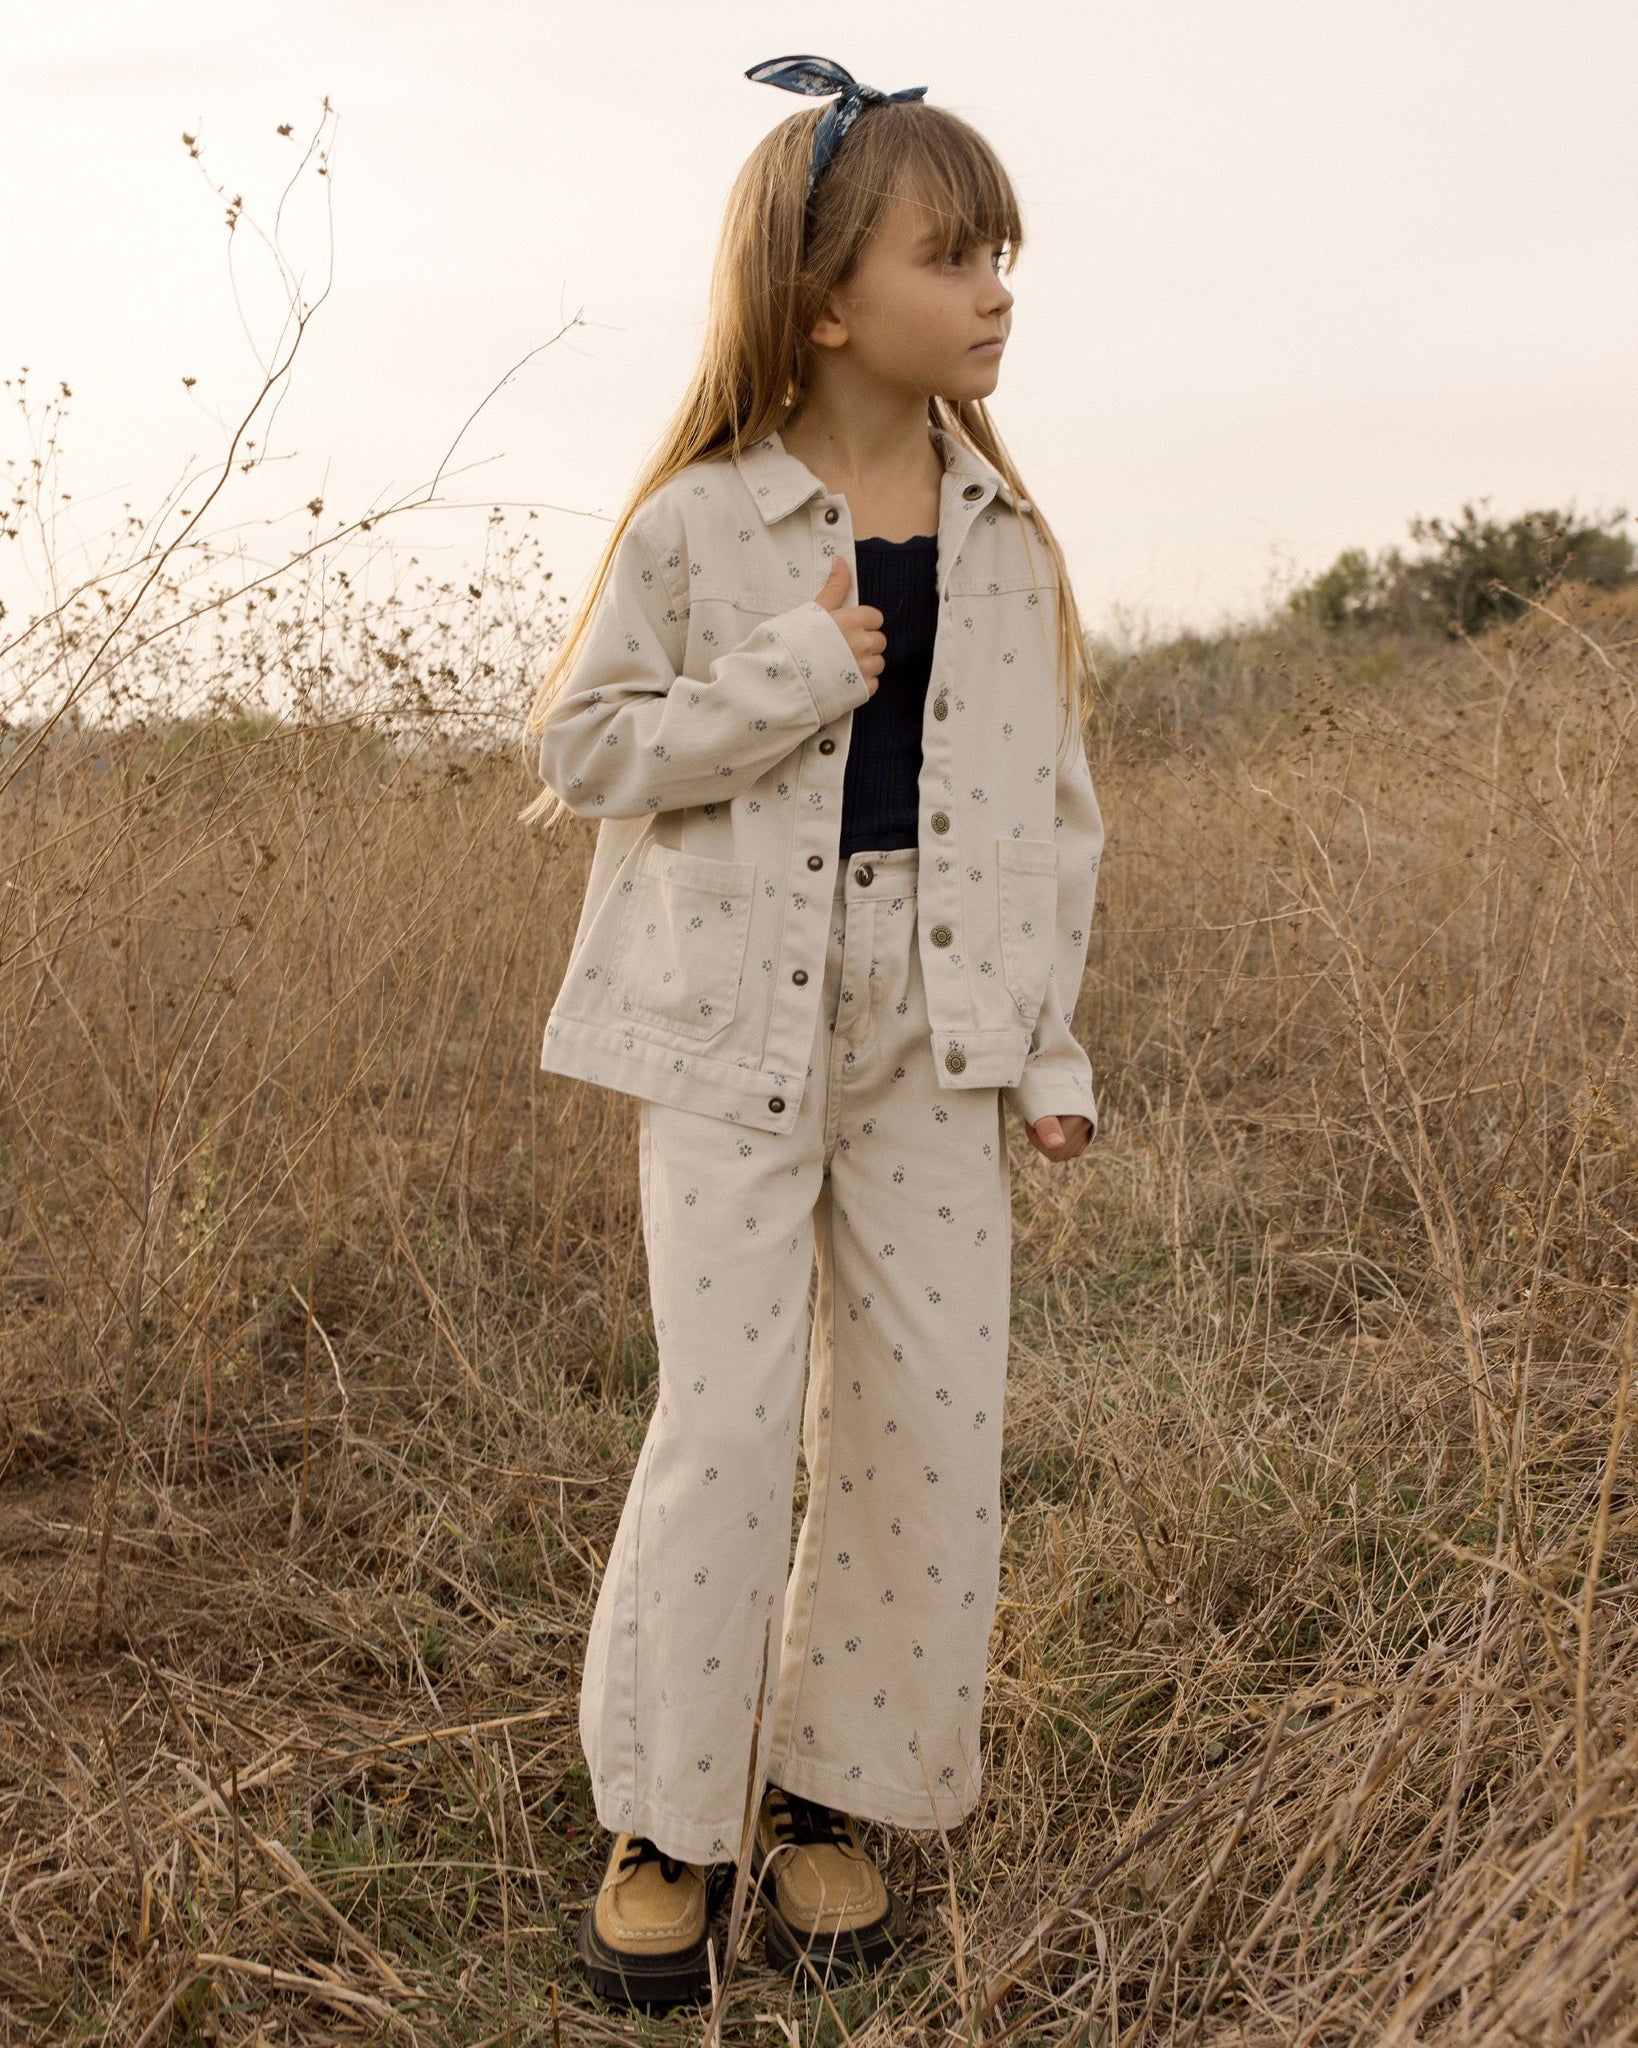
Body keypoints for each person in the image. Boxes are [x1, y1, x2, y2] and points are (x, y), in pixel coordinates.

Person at [522, 52, 1104, 2010]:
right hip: (727, 1025)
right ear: (826, 299)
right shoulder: (702, 525)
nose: (998, 291)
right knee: (729, 1418)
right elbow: (585, 749)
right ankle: (668, 1818)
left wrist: (1046, 1049)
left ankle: (831, 1796)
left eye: (1003, 254)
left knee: (926, 1418)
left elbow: (1050, 819)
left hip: (938, 1032)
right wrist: (783, 675)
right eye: (957, 255)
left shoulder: (1009, 540)